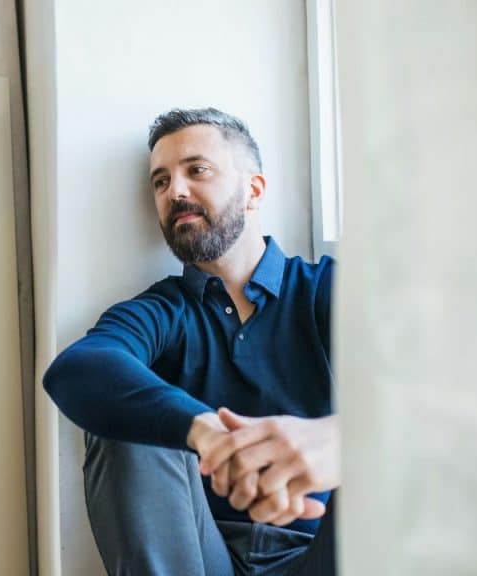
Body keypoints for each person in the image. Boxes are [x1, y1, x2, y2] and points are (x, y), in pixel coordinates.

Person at [43, 108, 340, 575]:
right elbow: (76, 370)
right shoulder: (163, 310)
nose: (175, 191)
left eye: (196, 170)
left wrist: (342, 440)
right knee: (120, 420)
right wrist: (204, 431)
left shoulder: (326, 290)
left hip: (326, 550)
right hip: (199, 555)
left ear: (252, 190)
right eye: (160, 182)